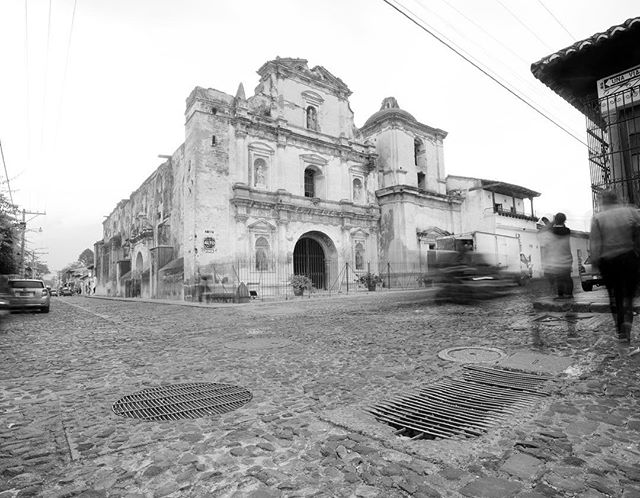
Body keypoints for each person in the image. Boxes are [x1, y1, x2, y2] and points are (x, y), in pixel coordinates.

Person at [590, 190, 640, 346]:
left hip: (609, 262)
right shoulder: (631, 212)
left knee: (615, 296)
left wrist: (595, 262)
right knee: (629, 297)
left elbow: (596, 244)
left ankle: (621, 332)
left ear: (603, 201)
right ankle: (627, 325)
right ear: (617, 199)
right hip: (630, 258)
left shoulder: (598, 218)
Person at [542, 212, 574, 299]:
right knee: (567, 277)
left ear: (556, 220)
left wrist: (552, 222)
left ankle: (561, 294)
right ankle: (570, 294)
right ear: (564, 221)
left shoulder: (552, 231)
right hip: (567, 256)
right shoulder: (567, 231)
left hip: (556, 257)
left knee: (559, 277)